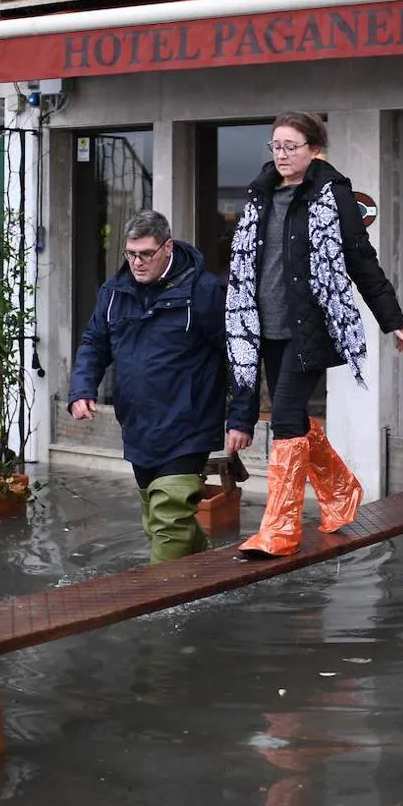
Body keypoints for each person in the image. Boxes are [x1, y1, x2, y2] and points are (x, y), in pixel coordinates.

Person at [224, 111, 403, 558]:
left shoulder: (333, 196)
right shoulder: (259, 195)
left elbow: (361, 259)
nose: (282, 155)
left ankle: (280, 530)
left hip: (309, 327)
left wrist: (391, 318)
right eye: (276, 146)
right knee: (295, 419)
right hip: (262, 323)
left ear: (314, 149)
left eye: (291, 146)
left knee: (285, 414)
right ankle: (342, 489)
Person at [68, 210, 242, 563]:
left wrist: (240, 415)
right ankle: (207, 572)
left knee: (168, 520)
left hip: (188, 423)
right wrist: (82, 388)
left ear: (167, 247)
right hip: (138, 425)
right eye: (130, 254)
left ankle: (164, 608)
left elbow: (238, 353)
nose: (137, 262)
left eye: (146, 254)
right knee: (158, 518)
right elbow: (94, 343)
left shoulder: (204, 291)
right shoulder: (114, 293)